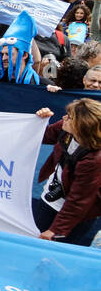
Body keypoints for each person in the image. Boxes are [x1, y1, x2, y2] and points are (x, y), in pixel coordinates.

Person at [33, 98, 101, 245]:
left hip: (76, 215)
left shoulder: (95, 159)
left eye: (69, 118)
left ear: (82, 126)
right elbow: (41, 136)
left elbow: (78, 201)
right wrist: (38, 121)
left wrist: (56, 231)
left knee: (53, 252)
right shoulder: (65, 129)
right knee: (34, 241)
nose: (64, 118)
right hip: (50, 199)